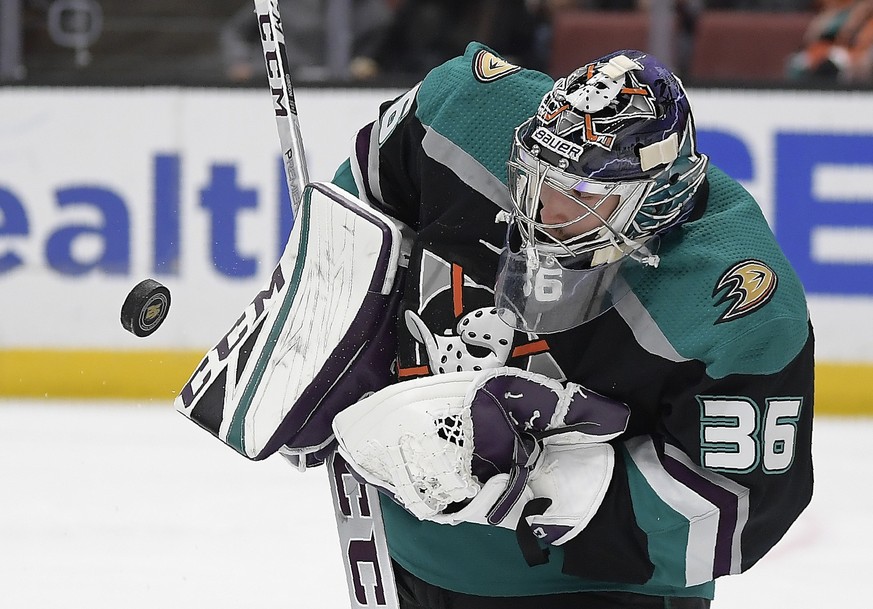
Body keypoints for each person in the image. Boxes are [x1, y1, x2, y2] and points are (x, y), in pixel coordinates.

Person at [328, 43, 814, 608]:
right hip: (410, 555)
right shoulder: (464, 110)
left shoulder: (738, 297)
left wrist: (549, 486)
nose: (547, 213)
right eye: (541, 181)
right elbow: (357, 207)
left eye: (583, 195)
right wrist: (329, 335)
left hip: (599, 589)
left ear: (654, 195)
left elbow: (741, 507)